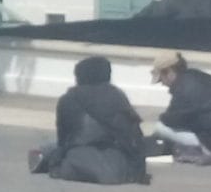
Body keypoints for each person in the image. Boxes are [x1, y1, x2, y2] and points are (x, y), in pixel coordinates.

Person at [28, 55, 150, 184]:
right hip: (117, 157)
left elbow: (63, 138)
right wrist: (139, 168)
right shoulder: (118, 97)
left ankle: (43, 154)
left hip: (79, 153)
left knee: (52, 148)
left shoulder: (70, 98)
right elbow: (134, 136)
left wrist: (56, 159)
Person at [148, 52, 211, 162]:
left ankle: (199, 151)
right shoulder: (198, 79)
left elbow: (170, 121)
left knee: (161, 127)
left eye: (161, 79)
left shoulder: (184, 90)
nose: (162, 84)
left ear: (169, 72)